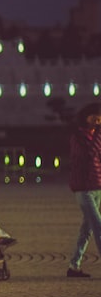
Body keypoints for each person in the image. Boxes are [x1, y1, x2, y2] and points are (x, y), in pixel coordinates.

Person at [66, 102, 101, 278]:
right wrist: (98, 136)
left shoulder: (96, 136)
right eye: (94, 115)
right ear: (86, 117)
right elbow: (88, 154)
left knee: (87, 229)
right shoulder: (78, 137)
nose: (97, 119)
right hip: (84, 189)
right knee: (98, 226)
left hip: (97, 187)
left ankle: (74, 266)